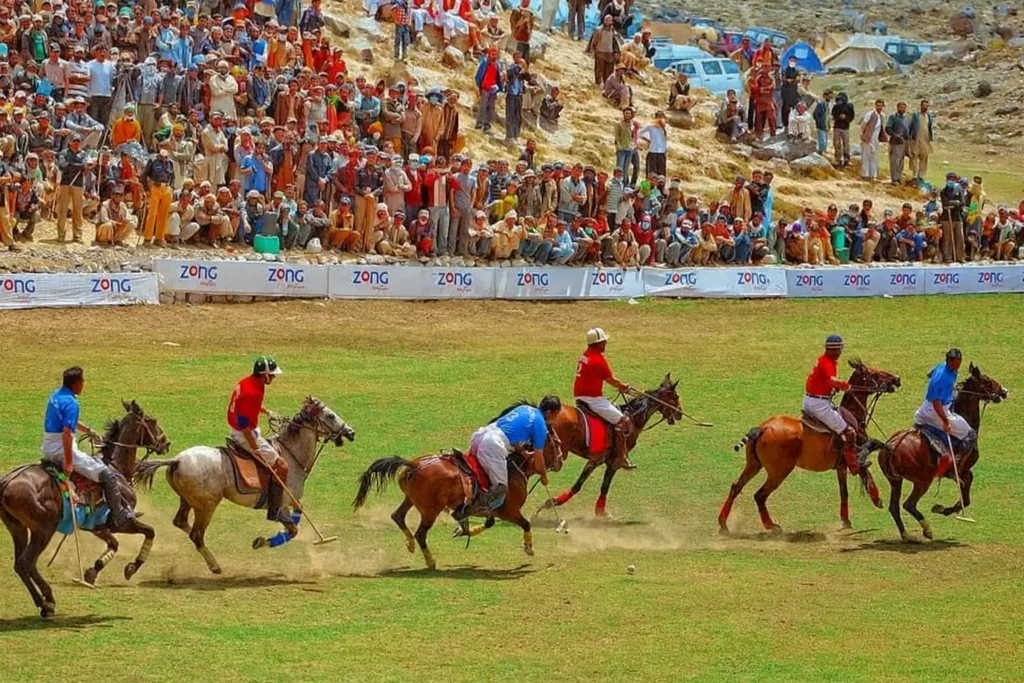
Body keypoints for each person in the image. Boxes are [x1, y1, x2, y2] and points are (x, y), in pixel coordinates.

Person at [42, 366, 134, 528]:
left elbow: (67, 422)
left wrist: (89, 431)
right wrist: (69, 462)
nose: (83, 384)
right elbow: (66, 433)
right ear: (77, 384)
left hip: (48, 447)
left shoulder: (55, 396)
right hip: (62, 450)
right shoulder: (72, 403)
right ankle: (119, 516)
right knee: (108, 475)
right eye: (82, 381)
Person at [458, 395, 559, 530]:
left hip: (480, 435)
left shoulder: (525, 409)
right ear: (548, 412)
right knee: (500, 490)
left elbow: (510, 431)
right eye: (556, 415)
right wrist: (544, 476)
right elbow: (539, 458)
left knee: (479, 475)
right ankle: (465, 511)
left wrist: (522, 452)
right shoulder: (540, 425)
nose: (555, 419)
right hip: (493, 444)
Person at [227, 356, 292, 528]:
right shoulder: (252, 392)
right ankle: (274, 510)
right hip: (244, 434)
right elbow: (244, 425)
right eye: (272, 375)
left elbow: (243, 407)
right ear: (265, 375)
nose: (274, 378)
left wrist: (265, 411)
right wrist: (255, 449)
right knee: (282, 466)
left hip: (240, 429)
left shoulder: (249, 382)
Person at [574, 327, 635, 470]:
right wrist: (623, 387)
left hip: (580, 395)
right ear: (597, 343)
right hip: (592, 399)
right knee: (624, 421)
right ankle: (620, 457)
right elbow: (610, 379)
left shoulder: (586, 355)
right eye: (603, 342)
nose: (605, 344)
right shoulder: (598, 360)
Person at [802, 335, 863, 474]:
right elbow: (832, 379)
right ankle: (853, 464)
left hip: (813, 400)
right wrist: (846, 386)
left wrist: (833, 387)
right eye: (835, 350)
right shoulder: (826, 362)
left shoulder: (825, 360)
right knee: (849, 431)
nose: (838, 353)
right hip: (819, 405)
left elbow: (825, 381)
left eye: (839, 350)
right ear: (828, 350)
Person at [913, 349, 977, 477]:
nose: (958, 365)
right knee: (970, 435)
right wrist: (945, 421)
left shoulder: (943, 366)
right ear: (949, 361)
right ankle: (955, 466)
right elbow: (936, 404)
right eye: (956, 362)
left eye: (960, 361)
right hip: (935, 411)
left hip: (931, 406)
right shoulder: (941, 379)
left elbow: (929, 373)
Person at [885, 101, 910, 186]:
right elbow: (888, 128)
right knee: (894, 161)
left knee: (901, 161)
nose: (902, 109)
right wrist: (895, 135)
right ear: (897, 108)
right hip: (895, 142)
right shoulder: (893, 118)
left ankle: (899, 177)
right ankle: (894, 178)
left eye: (903, 108)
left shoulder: (906, 118)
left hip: (904, 143)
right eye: (900, 107)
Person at [909, 99, 934, 182]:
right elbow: (911, 126)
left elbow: (929, 128)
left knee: (924, 159)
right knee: (914, 158)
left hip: (925, 140)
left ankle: (921, 176)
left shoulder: (929, 116)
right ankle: (914, 176)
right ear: (920, 106)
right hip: (916, 139)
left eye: (926, 106)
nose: (925, 107)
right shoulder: (916, 116)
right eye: (923, 105)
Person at [860, 99, 884, 181]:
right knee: (866, 156)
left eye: (881, 106)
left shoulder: (881, 116)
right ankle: (865, 174)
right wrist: (862, 134)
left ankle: (873, 175)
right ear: (875, 105)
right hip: (868, 137)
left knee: (874, 157)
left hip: (875, 139)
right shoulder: (870, 114)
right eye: (878, 105)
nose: (879, 107)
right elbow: (864, 124)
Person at [830, 91, 854, 167]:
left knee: (846, 144)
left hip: (845, 127)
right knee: (837, 144)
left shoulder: (849, 106)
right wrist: (838, 117)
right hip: (837, 126)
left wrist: (846, 118)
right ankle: (838, 159)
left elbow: (852, 116)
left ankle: (846, 159)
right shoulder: (835, 107)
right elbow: (833, 115)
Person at [813, 90, 832, 155]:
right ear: (825, 96)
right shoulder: (820, 104)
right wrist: (819, 123)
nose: (830, 98)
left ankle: (823, 151)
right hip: (821, 125)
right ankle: (820, 152)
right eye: (829, 97)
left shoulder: (828, 105)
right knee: (822, 141)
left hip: (826, 125)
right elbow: (815, 114)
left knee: (825, 141)